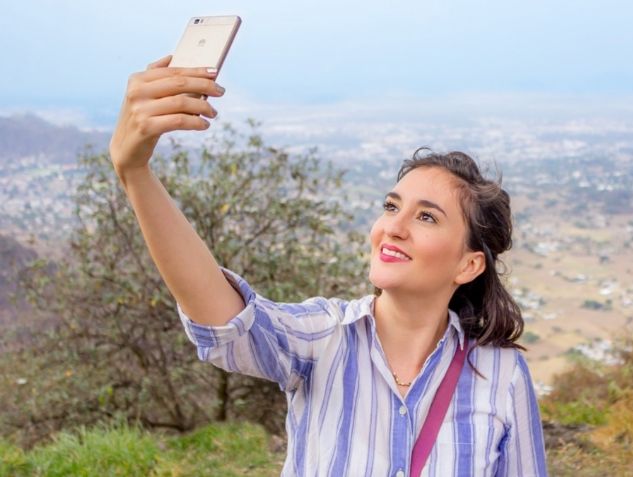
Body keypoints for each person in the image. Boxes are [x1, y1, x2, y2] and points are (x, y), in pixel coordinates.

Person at [110, 56, 548, 477]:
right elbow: (224, 321)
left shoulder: (501, 375)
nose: (393, 227)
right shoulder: (323, 338)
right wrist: (135, 172)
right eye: (391, 206)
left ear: (469, 265)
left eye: (427, 216)